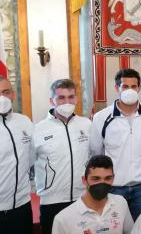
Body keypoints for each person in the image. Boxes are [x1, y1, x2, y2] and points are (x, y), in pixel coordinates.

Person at [90, 68, 141, 220]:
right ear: (117, 88)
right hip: (114, 187)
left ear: (139, 88)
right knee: (114, 228)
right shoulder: (101, 117)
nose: (130, 90)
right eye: (125, 86)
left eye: (134, 87)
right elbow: (96, 150)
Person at [33, 79, 94, 234]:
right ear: (51, 100)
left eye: (71, 97)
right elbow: (28, 164)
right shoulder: (38, 130)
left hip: (83, 199)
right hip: (51, 202)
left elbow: (94, 156)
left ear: (76, 98)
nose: (67, 102)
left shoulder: (87, 125)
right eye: (61, 97)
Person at [0, 75, 34, 234]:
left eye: (6, 92)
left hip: (22, 206)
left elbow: (32, 158)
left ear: (13, 94)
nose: (1, 97)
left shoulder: (25, 122)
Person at [52, 155, 134, 233]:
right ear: (84, 180)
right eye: (96, 179)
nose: (102, 183)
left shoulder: (121, 203)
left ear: (113, 178)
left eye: (108, 178)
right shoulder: (63, 219)